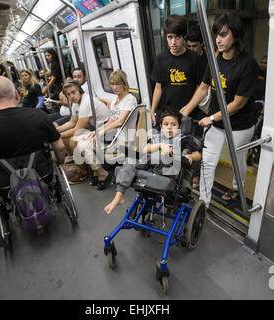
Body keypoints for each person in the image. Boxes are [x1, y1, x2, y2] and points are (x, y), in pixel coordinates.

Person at [180, 13, 258, 206]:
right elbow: (204, 87)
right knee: (208, 161)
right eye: (217, 35)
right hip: (216, 123)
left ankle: (236, 189)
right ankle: (203, 202)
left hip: (239, 125)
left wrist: (212, 118)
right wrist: (186, 109)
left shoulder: (248, 64)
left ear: (236, 35)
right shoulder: (215, 60)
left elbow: (239, 103)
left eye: (223, 35)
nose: (218, 40)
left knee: (237, 160)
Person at [104, 109, 201, 214]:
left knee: (162, 158)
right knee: (131, 158)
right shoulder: (156, 137)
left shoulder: (184, 139)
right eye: (166, 124)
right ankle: (119, 196)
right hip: (150, 165)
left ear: (180, 127)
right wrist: (160, 145)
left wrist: (189, 156)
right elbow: (144, 149)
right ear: (161, 126)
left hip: (169, 168)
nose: (169, 127)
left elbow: (198, 155)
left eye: (173, 124)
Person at [74, 69, 137, 190]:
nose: (114, 87)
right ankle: (100, 171)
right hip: (113, 135)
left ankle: (99, 172)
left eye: (117, 84)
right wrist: (95, 131)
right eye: (112, 84)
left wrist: (101, 132)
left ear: (124, 84)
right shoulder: (114, 101)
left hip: (124, 137)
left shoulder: (130, 99)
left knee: (84, 146)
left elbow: (120, 122)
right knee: (81, 143)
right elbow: (110, 121)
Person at [150, 15, 205, 134]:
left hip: (189, 113)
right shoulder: (161, 59)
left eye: (178, 37)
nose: (173, 42)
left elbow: (199, 88)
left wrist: (188, 108)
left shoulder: (195, 58)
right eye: (170, 37)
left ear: (184, 37)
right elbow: (158, 87)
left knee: (188, 148)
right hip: (167, 114)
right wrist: (152, 109)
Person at [56, 81, 109, 184]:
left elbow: (77, 130)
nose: (72, 96)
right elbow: (72, 122)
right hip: (94, 129)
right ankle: (81, 167)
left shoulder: (86, 103)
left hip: (104, 131)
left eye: (73, 92)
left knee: (72, 140)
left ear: (79, 91)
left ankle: (84, 172)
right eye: (68, 94)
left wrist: (55, 136)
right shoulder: (76, 103)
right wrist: (56, 131)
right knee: (65, 138)